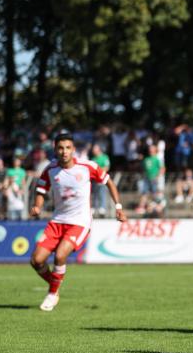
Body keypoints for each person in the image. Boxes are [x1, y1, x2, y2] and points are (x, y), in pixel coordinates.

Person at [30, 133, 126, 311]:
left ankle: (52, 293)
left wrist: (118, 207)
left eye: (67, 148)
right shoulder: (50, 169)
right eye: (60, 148)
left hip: (79, 222)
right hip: (57, 221)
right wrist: (37, 207)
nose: (64, 151)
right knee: (36, 260)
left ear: (73, 150)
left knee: (60, 256)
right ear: (55, 149)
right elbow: (41, 189)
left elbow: (109, 182)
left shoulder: (87, 166)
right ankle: (55, 285)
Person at [89, 143, 111, 217]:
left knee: (102, 192)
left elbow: (106, 167)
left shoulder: (104, 157)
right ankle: (94, 207)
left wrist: (98, 173)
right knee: (94, 193)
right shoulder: (93, 159)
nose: (93, 151)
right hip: (94, 179)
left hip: (102, 178)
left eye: (94, 149)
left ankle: (102, 207)